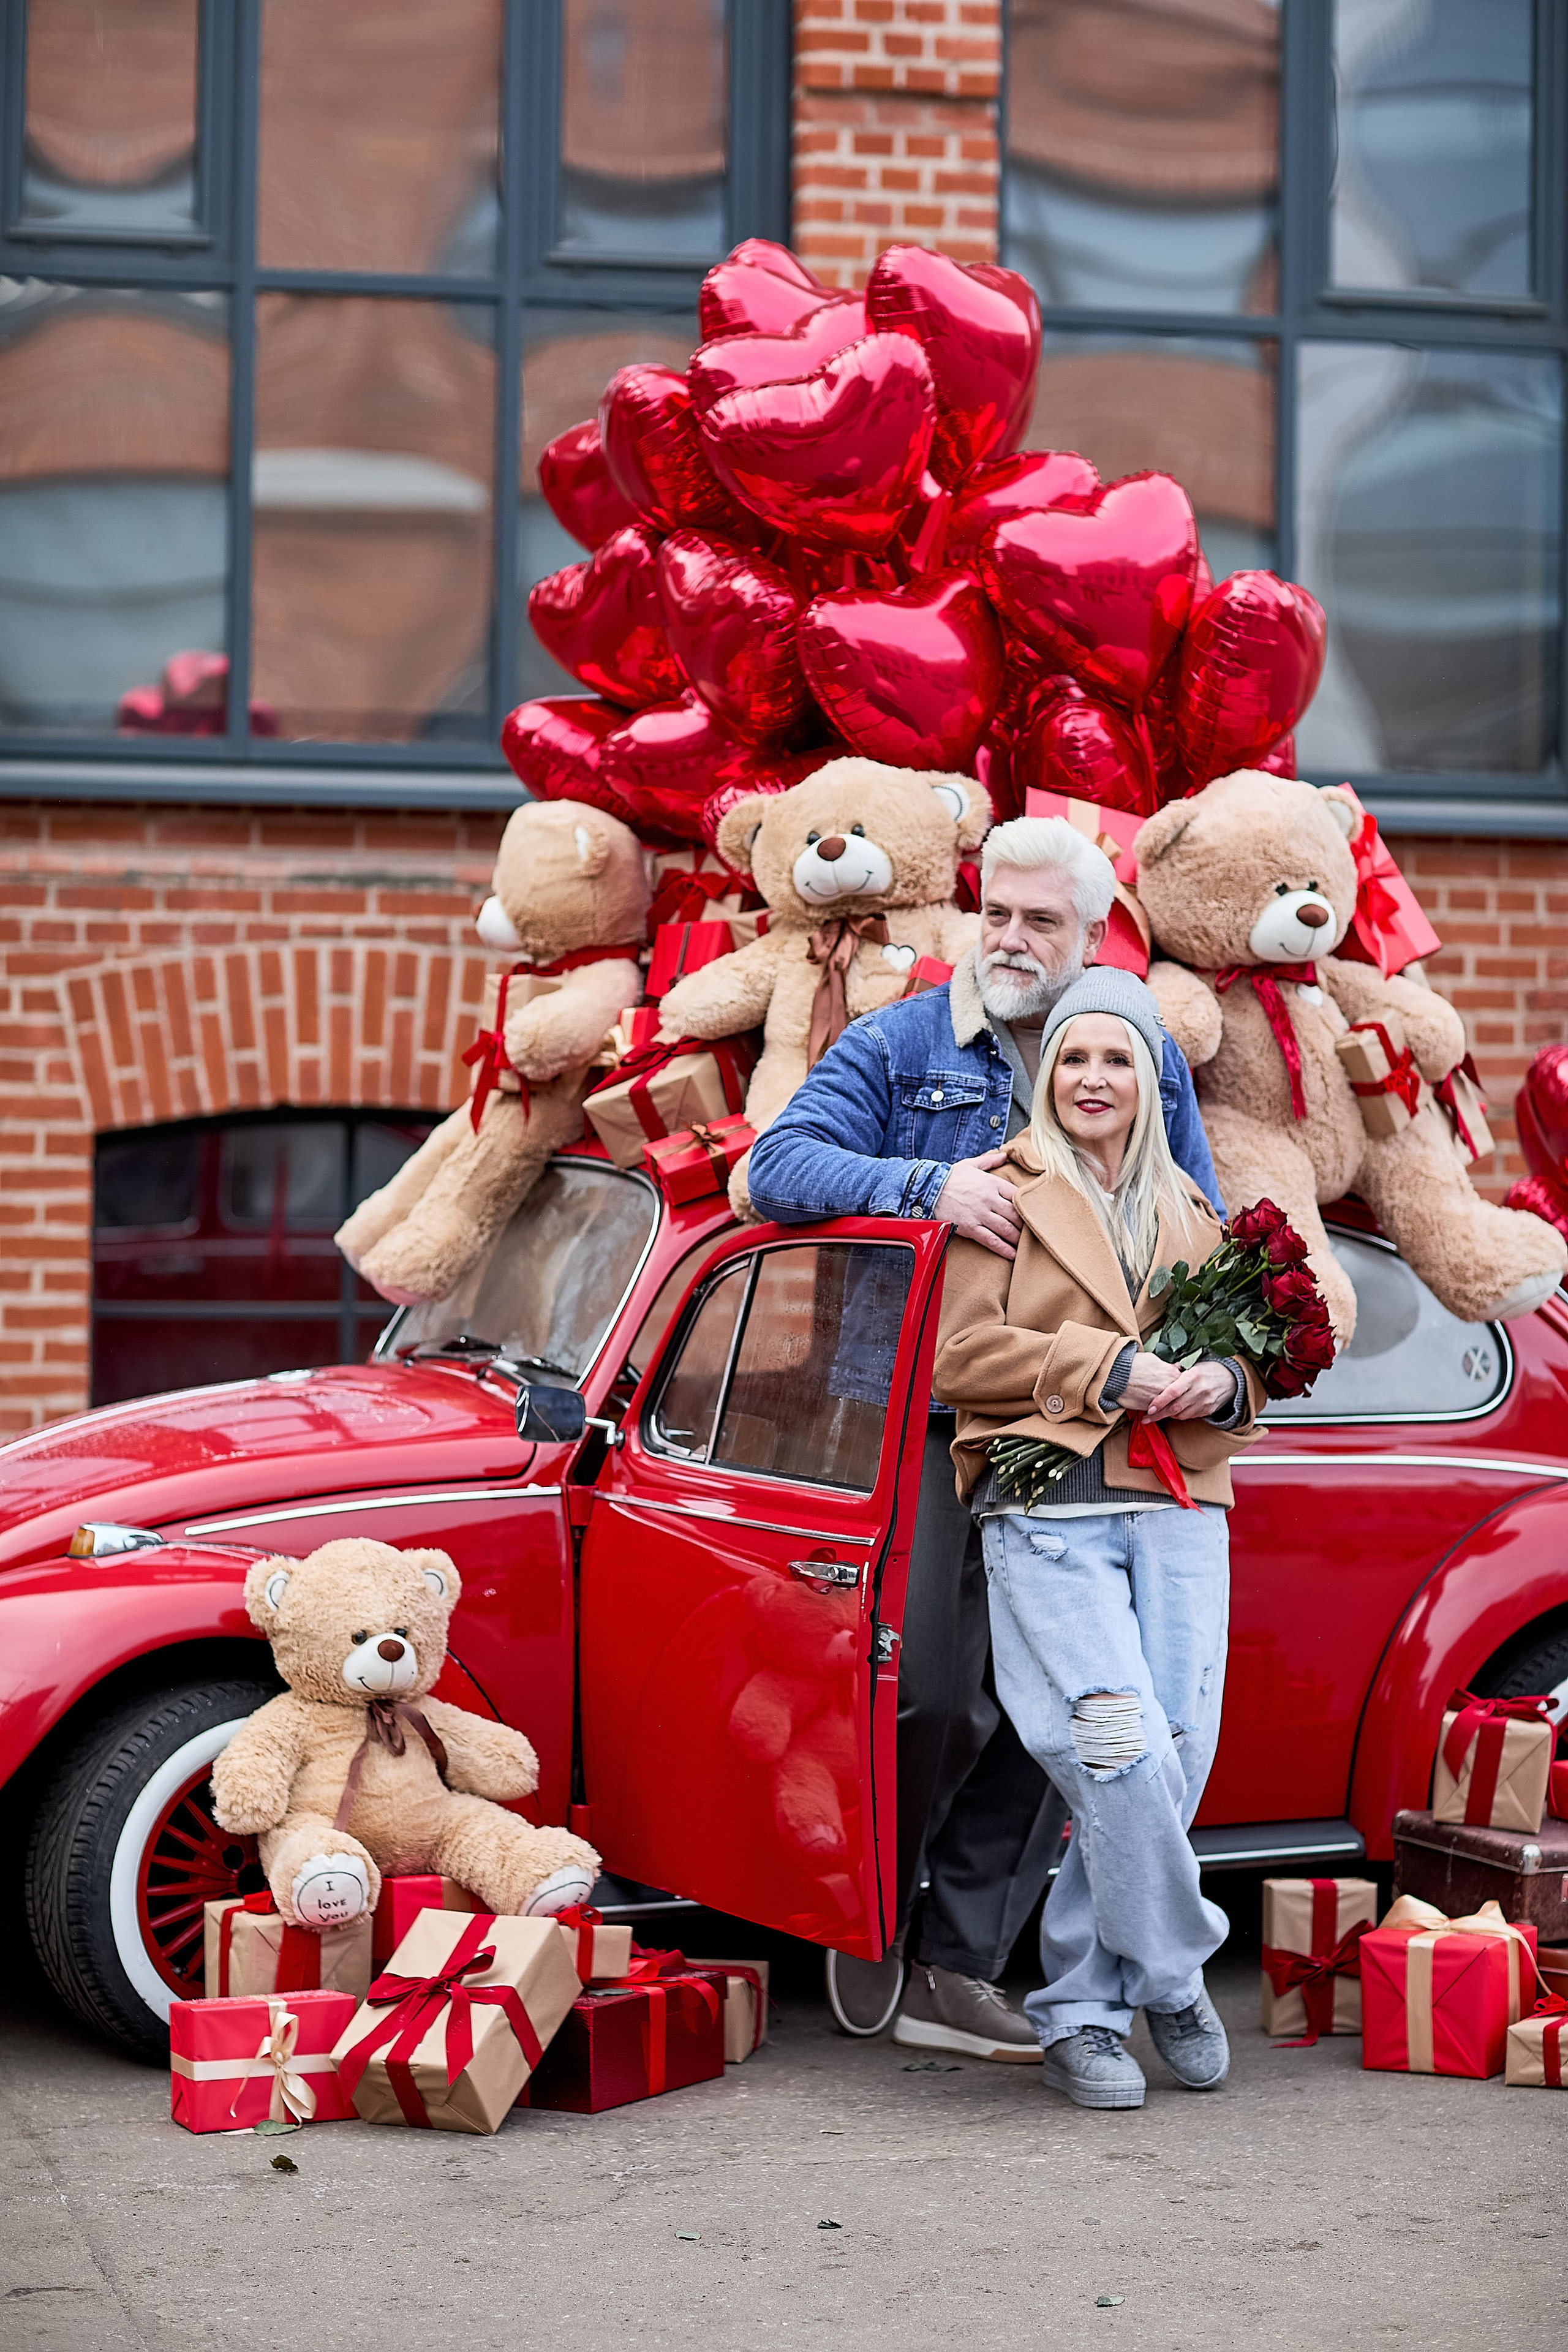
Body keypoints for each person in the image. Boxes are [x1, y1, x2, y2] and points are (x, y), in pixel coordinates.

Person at [746, 816, 1223, 2062]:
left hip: (1079, 1429)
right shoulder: (903, 1044)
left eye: (1041, 924)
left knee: (1049, 1706)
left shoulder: (1133, 1050)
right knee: (935, 1690)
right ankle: (869, 1931)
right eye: (996, 915)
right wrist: (927, 1186)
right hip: (934, 1414)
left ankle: (959, 1963)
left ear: (1088, 936)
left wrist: (1205, 1369)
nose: (1012, 940)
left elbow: (1200, 1219)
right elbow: (772, 1167)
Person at [930, 967, 1262, 2108]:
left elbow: (1252, 1357)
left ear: (1149, 1079)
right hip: (1049, 1509)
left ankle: (1084, 2011)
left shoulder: (1195, 1209)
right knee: (1116, 1752)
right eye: (1072, 1057)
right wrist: (1103, 1368)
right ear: (1046, 1075)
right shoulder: (1003, 1195)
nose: (1092, 1077)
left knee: (1173, 1757)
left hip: (1179, 1505)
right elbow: (958, 1357)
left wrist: (1221, 1381)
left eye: (1115, 1057)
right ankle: (1172, 1972)